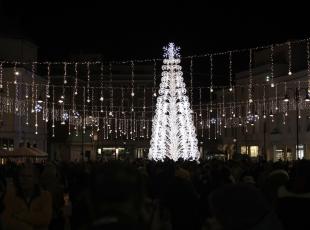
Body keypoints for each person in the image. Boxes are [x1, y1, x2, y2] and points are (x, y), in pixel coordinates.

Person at [3, 163, 52, 230]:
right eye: (22, 176)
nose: (25, 179)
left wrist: (21, 216)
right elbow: (6, 221)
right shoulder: (10, 195)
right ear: (18, 178)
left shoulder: (45, 196)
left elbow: (46, 219)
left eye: (29, 176)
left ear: (35, 179)